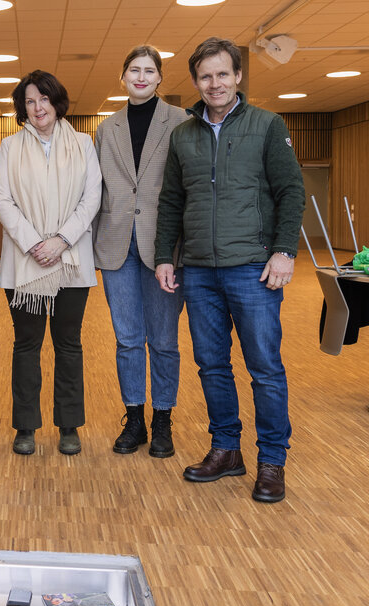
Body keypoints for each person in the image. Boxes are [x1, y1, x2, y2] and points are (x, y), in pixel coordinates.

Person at [155, 37, 304, 503]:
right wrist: (164, 256)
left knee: (264, 367)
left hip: (253, 268)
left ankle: (272, 461)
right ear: (195, 81)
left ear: (238, 76)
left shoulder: (267, 125)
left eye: (223, 74)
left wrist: (284, 251)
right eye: (205, 76)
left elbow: (291, 191)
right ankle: (226, 450)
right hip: (199, 270)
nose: (214, 83)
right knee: (212, 365)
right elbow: (171, 201)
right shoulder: (183, 135)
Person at [0, 70, 101, 457]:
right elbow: (2, 199)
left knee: (68, 344)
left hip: (70, 261)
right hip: (27, 262)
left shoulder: (83, 144)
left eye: (44, 99)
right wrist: (35, 243)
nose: (38, 107)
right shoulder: (9, 147)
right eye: (30, 101)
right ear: (22, 108)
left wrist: (61, 240)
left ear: (57, 102)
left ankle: (69, 426)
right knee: (27, 345)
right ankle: (25, 426)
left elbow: (91, 198)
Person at [93, 46, 189, 458]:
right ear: (123, 77)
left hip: (165, 245)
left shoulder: (181, 121)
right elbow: (97, 190)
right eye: (134, 69)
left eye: (150, 70)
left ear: (160, 78)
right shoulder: (106, 128)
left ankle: (162, 418)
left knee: (164, 339)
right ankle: (134, 418)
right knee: (128, 338)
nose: (142, 76)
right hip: (116, 244)